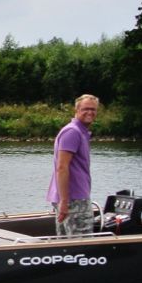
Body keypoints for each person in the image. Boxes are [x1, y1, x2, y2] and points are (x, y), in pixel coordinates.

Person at [47, 94, 100, 237]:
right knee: (81, 242)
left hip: (70, 197)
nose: (90, 112)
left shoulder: (80, 132)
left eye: (93, 109)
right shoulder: (72, 132)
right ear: (76, 110)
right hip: (74, 198)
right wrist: (64, 201)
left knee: (66, 242)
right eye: (86, 109)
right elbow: (62, 167)